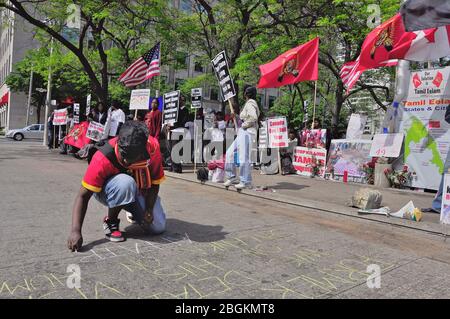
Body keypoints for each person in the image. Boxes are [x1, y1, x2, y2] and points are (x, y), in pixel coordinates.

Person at [67, 121, 166, 251]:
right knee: (126, 183)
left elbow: (154, 182)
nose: (126, 162)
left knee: (157, 227)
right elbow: (82, 196)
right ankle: (111, 220)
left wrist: (148, 209)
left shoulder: (152, 148)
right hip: (109, 191)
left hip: (138, 190)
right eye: (125, 158)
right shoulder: (102, 158)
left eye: (132, 159)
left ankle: (133, 210)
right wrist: (75, 231)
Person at [223, 85, 260, 190]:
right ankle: (232, 177)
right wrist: (237, 117)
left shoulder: (251, 103)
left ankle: (245, 180)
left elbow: (253, 118)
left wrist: (243, 125)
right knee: (230, 152)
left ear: (245, 94)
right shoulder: (248, 104)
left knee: (244, 157)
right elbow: (246, 118)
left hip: (247, 132)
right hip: (243, 132)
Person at [168, 95, 190, 173]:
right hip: (173, 131)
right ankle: (173, 166)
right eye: (180, 100)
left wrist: (175, 125)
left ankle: (177, 167)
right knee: (171, 148)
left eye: (182, 100)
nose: (180, 101)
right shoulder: (175, 110)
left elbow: (183, 121)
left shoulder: (185, 110)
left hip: (179, 131)